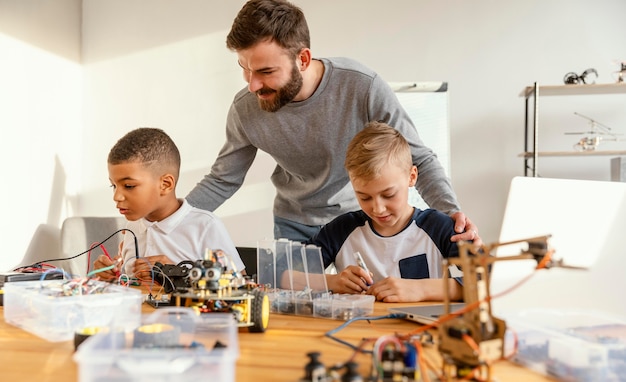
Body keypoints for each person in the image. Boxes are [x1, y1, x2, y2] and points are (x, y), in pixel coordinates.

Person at [186, 0, 480, 245]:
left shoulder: (362, 87)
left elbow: (419, 157)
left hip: (359, 220)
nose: (252, 85)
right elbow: (223, 179)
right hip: (293, 223)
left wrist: (451, 213)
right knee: (297, 306)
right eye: (245, 69)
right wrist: (169, 220)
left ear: (302, 59)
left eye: (265, 71)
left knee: (367, 301)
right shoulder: (245, 109)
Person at [306, 121, 464, 303]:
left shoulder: (438, 228)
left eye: (388, 194)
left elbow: (493, 280)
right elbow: (278, 273)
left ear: (412, 177)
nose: (378, 209)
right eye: (364, 197)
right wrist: (331, 281)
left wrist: (421, 289)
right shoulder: (341, 231)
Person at [94, 127, 245, 282]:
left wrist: (179, 272)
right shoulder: (132, 227)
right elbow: (130, 284)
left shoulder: (205, 226)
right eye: (113, 186)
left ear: (165, 184)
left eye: (129, 186)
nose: (116, 196)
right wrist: (112, 274)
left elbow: (240, 283)